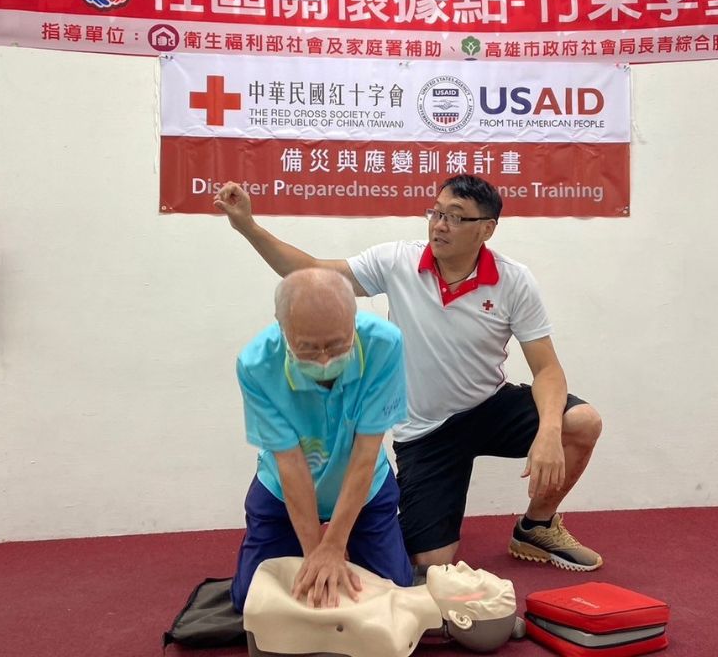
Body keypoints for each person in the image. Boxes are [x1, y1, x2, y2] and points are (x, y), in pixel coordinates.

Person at [215, 175, 604, 573]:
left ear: (486, 229)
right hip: (426, 431)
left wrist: (549, 431)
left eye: (456, 217)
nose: (439, 224)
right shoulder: (397, 260)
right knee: (427, 563)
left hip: (488, 407)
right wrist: (248, 225)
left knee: (582, 423)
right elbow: (311, 270)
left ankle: (536, 525)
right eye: (436, 212)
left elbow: (548, 369)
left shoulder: (514, 279)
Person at [229, 268, 413, 614]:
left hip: (364, 482)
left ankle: (348, 546)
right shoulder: (256, 365)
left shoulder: (384, 345)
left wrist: (335, 544)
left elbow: (365, 454)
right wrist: (317, 551)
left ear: (353, 320)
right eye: (309, 349)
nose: (326, 358)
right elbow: (290, 462)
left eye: (337, 344)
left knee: (395, 593)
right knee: (249, 601)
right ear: (283, 329)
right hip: (285, 488)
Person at [243, 556, 520, 657]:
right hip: (273, 578)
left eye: (473, 580)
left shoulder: (390, 632)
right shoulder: (389, 589)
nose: (462, 565)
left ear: (461, 618)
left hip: (268, 598)